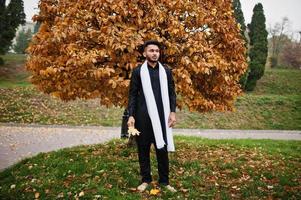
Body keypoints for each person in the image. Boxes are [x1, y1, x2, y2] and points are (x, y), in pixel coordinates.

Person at [127, 40, 177, 193]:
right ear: (144, 53)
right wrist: (131, 115)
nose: (155, 53)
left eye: (157, 51)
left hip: (162, 117)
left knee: (162, 149)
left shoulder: (166, 71)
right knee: (143, 150)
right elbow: (133, 95)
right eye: (151, 51)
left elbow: (171, 93)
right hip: (143, 117)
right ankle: (146, 179)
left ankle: (164, 181)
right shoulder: (137, 72)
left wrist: (173, 112)